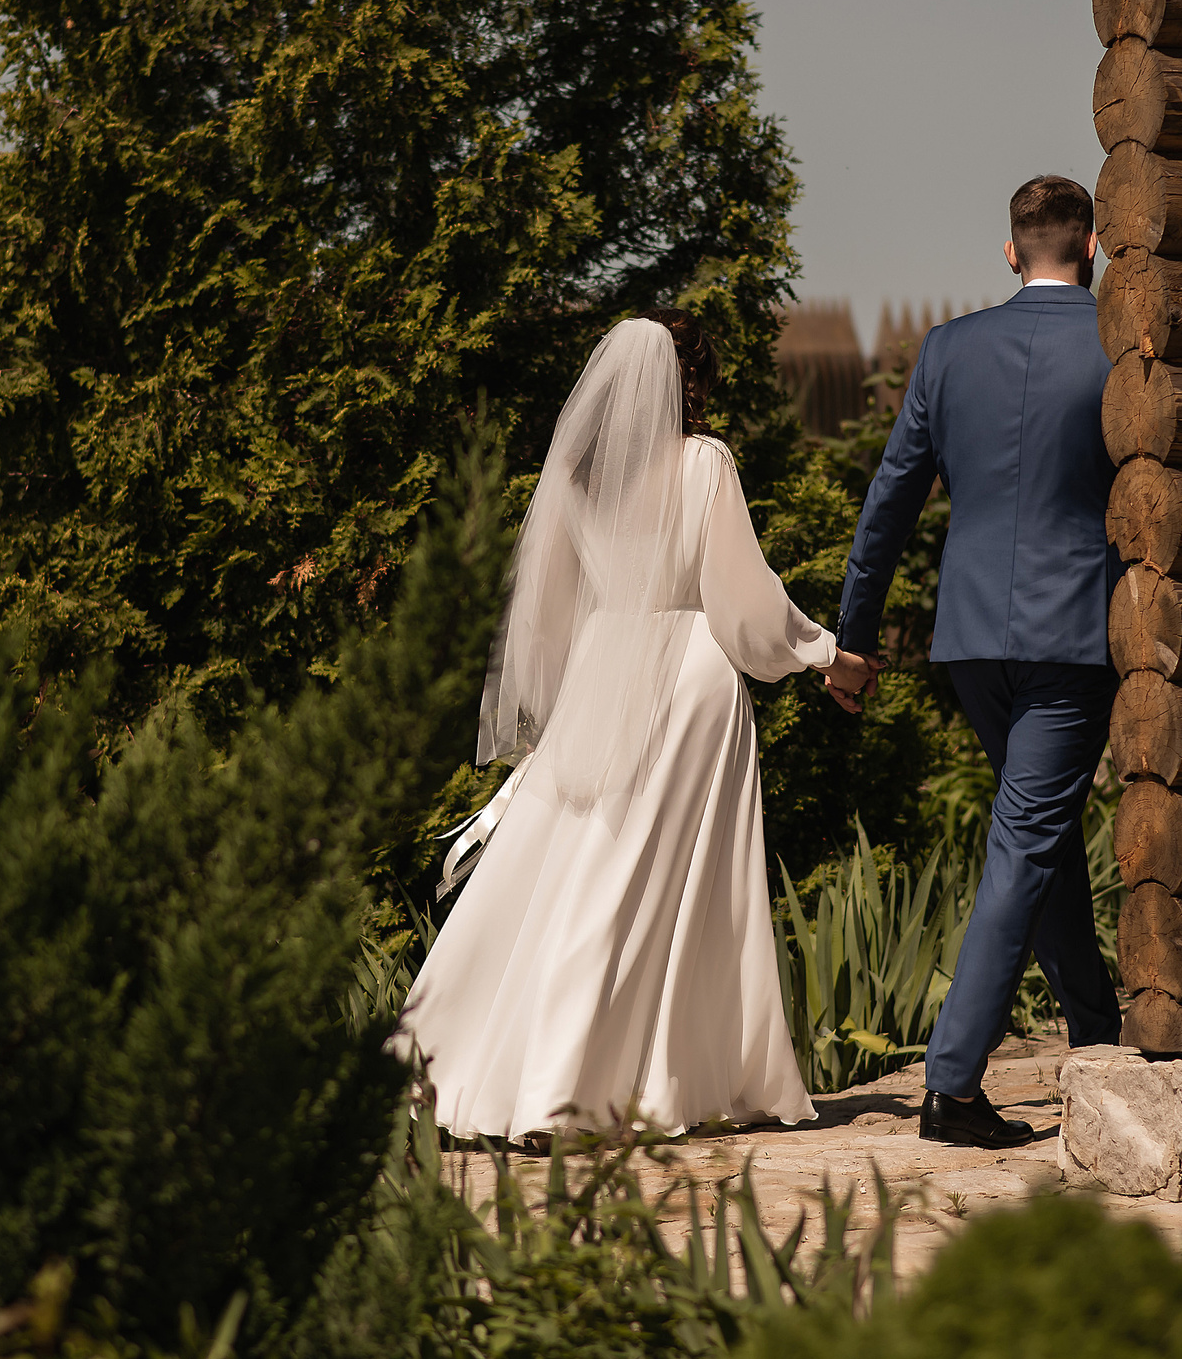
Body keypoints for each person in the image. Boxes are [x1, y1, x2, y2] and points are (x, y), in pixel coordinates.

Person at [398, 311, 869, 1140]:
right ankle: (583, 1089)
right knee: (667, 892)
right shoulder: (705, 462)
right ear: (694, 380)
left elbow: (543, 616)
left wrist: (560, 705)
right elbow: (746, 604)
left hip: (600, 669)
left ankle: (463, 1064)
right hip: (690, 676)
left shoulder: (577, 479)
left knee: (564, 872)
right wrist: (825, 653)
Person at [821, 174, 1123, 1148]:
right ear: (1093, 249)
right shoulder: (1118, 342)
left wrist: (852, 639)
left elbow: (889, 501)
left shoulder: (948, 349)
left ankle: (1097, 1028)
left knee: (1040, 831)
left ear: (1008, 252)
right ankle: (951, 1086)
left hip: (967, 643)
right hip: (1071, 633)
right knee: (1028, 837)